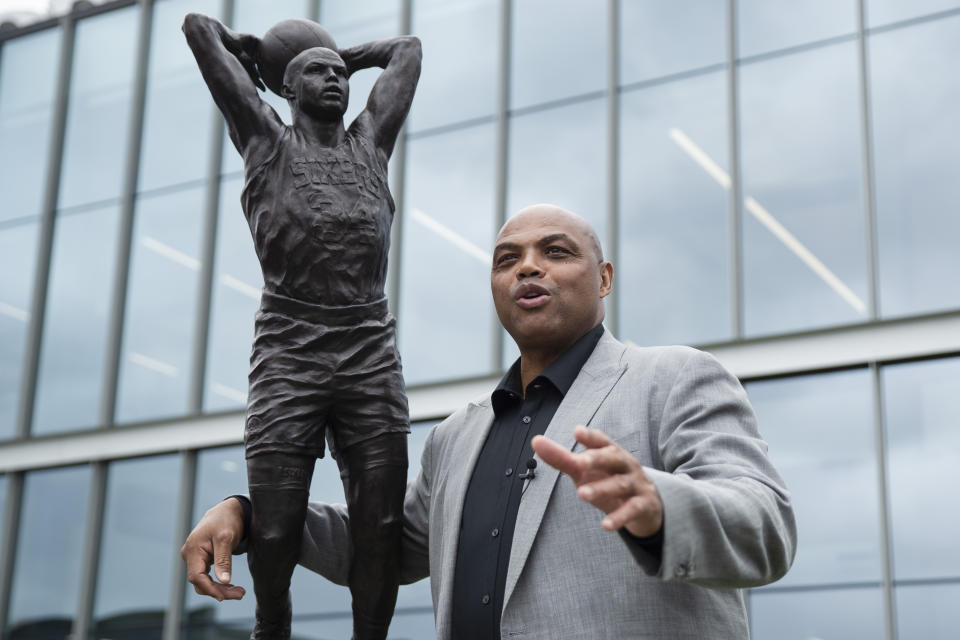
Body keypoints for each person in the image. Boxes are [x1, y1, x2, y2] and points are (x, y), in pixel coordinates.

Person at [183, 204, 797, 639]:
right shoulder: (455, 437)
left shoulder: (675, 377)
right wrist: (252, 512)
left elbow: (766, 528)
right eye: (508, 260)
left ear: (604, 278)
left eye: (555, 252)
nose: (528, 268)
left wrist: (660, 506)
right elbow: (383, 549)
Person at [182, 13, 421, 640]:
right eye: (318, 71)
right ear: (286, 89)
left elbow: (406, 50)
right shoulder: (264, 139)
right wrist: (251, 51)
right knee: (278, 526)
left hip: (369, 348)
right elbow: (197, 27)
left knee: (381, 528)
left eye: (341, 72)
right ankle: (272, 626)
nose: (336, 77)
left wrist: (340, 50)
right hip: (290, 349)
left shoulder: (370, 143)